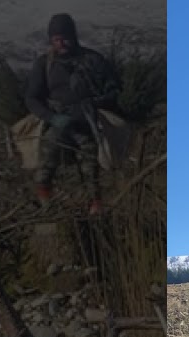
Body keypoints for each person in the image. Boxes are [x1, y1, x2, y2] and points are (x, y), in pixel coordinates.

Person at [24, 13, 121, 215]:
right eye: (56, 39)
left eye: (65, 38)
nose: (61, 43)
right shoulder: (44, 64)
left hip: (87, 122)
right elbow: (32, 98)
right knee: (45, 166)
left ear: (74, 36)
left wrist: (93, 104)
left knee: (90, 165)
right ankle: (47, 206)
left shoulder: (92, 60)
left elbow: (113, 89)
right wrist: (52, 117)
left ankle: (96, 207)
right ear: (50, 40)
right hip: (58, 122)